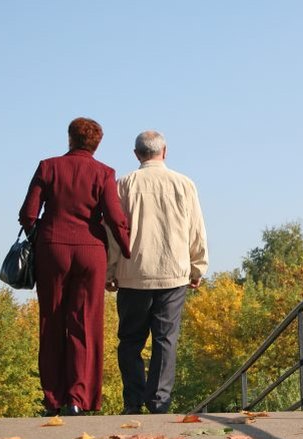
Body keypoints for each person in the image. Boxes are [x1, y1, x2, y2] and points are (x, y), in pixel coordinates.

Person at [19, 117, 131, 416]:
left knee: (52, 323)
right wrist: (127, 249)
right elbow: (115, 217)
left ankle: (53, 399)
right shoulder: (104, 173)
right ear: (97, 144)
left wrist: (45, 233)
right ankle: (77, 399)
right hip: (91, 254)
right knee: (85, 325)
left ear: (69, 138)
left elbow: (28, 214)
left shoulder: (48, 167)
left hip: (52, 250)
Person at [106, 130, 208, 414]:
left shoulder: (123, 185)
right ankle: (159, 402)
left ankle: (133, 401)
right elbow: (195, 229)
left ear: (136, 154)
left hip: (132, 272)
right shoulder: (184, 184)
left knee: (130, 341)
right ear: (164, 152)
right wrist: (197, 266)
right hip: (172, 272)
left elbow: (114, 232)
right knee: (165, 340)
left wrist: (109, 270)